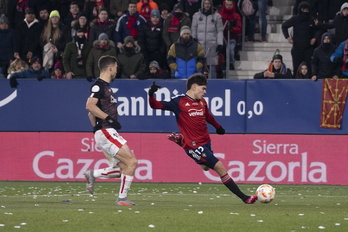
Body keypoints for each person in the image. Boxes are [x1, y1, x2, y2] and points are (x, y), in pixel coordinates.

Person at [148, 74, 258, 204]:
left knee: (205, 168)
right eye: (203, 88)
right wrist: (151, 94)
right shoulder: (179, 101)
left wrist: (218, 127)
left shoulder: (202, 102)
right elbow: (155, 105)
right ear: (194, 87)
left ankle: (181, 141)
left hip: (206, 141)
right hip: (193, 145)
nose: (205, 92)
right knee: (220, 167)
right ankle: (245, 198)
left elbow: (208, 116)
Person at [84, 55, 138, 206]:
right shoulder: (99, 86)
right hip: (107, 131)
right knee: (132, 162)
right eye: (116, 68)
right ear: (111, 68)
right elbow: (90, 106)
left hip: (105, 132)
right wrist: (108, 120)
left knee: (123, 168)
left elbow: (91, 114)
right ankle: (121, 199)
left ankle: (92, 174)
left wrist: (97, 129)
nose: (116, 71)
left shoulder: (106, 87)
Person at [282, 1, 319, 75]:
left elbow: (318, 29)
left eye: (307, 10)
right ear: (300, 9)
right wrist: (287, 37)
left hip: (308, 49)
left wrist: (315, 38)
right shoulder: (295, 19)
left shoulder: (312, 20)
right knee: (296, 68)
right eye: (303, 9)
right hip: (297, 48)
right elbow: (284, 26)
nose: (305, 11)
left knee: (309, 68)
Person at [191, 0, 223, 79]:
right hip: (199, 44)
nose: (207, 5)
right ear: (202, 4)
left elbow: (219, 31)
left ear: (211, 4)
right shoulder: (196, 16)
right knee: (199, 64)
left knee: (211, 65)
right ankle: (199, 82)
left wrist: (220, 43)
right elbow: (193, 29)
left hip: (212, 44)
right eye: (205, 3)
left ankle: (213, 83)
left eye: (208, 3)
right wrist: (193, 39)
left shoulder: (217, 16)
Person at [218, 0, 242, 71]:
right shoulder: (219, 14)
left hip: (231, 38)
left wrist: (232, 28)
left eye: (230, 5)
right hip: (220, 38)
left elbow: (239, 28)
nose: (228, 6)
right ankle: (221, 65)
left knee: (230, 50)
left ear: (233, 5)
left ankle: (231, 63)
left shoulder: (236, 15)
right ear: (224, 5)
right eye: (227, 5)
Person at [0, 14, 14, 79]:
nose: (4, 25)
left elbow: (14, 45)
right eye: (2, 24)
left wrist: (11, 58)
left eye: (5, 23)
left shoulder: (12, 32)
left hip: (9, 59)